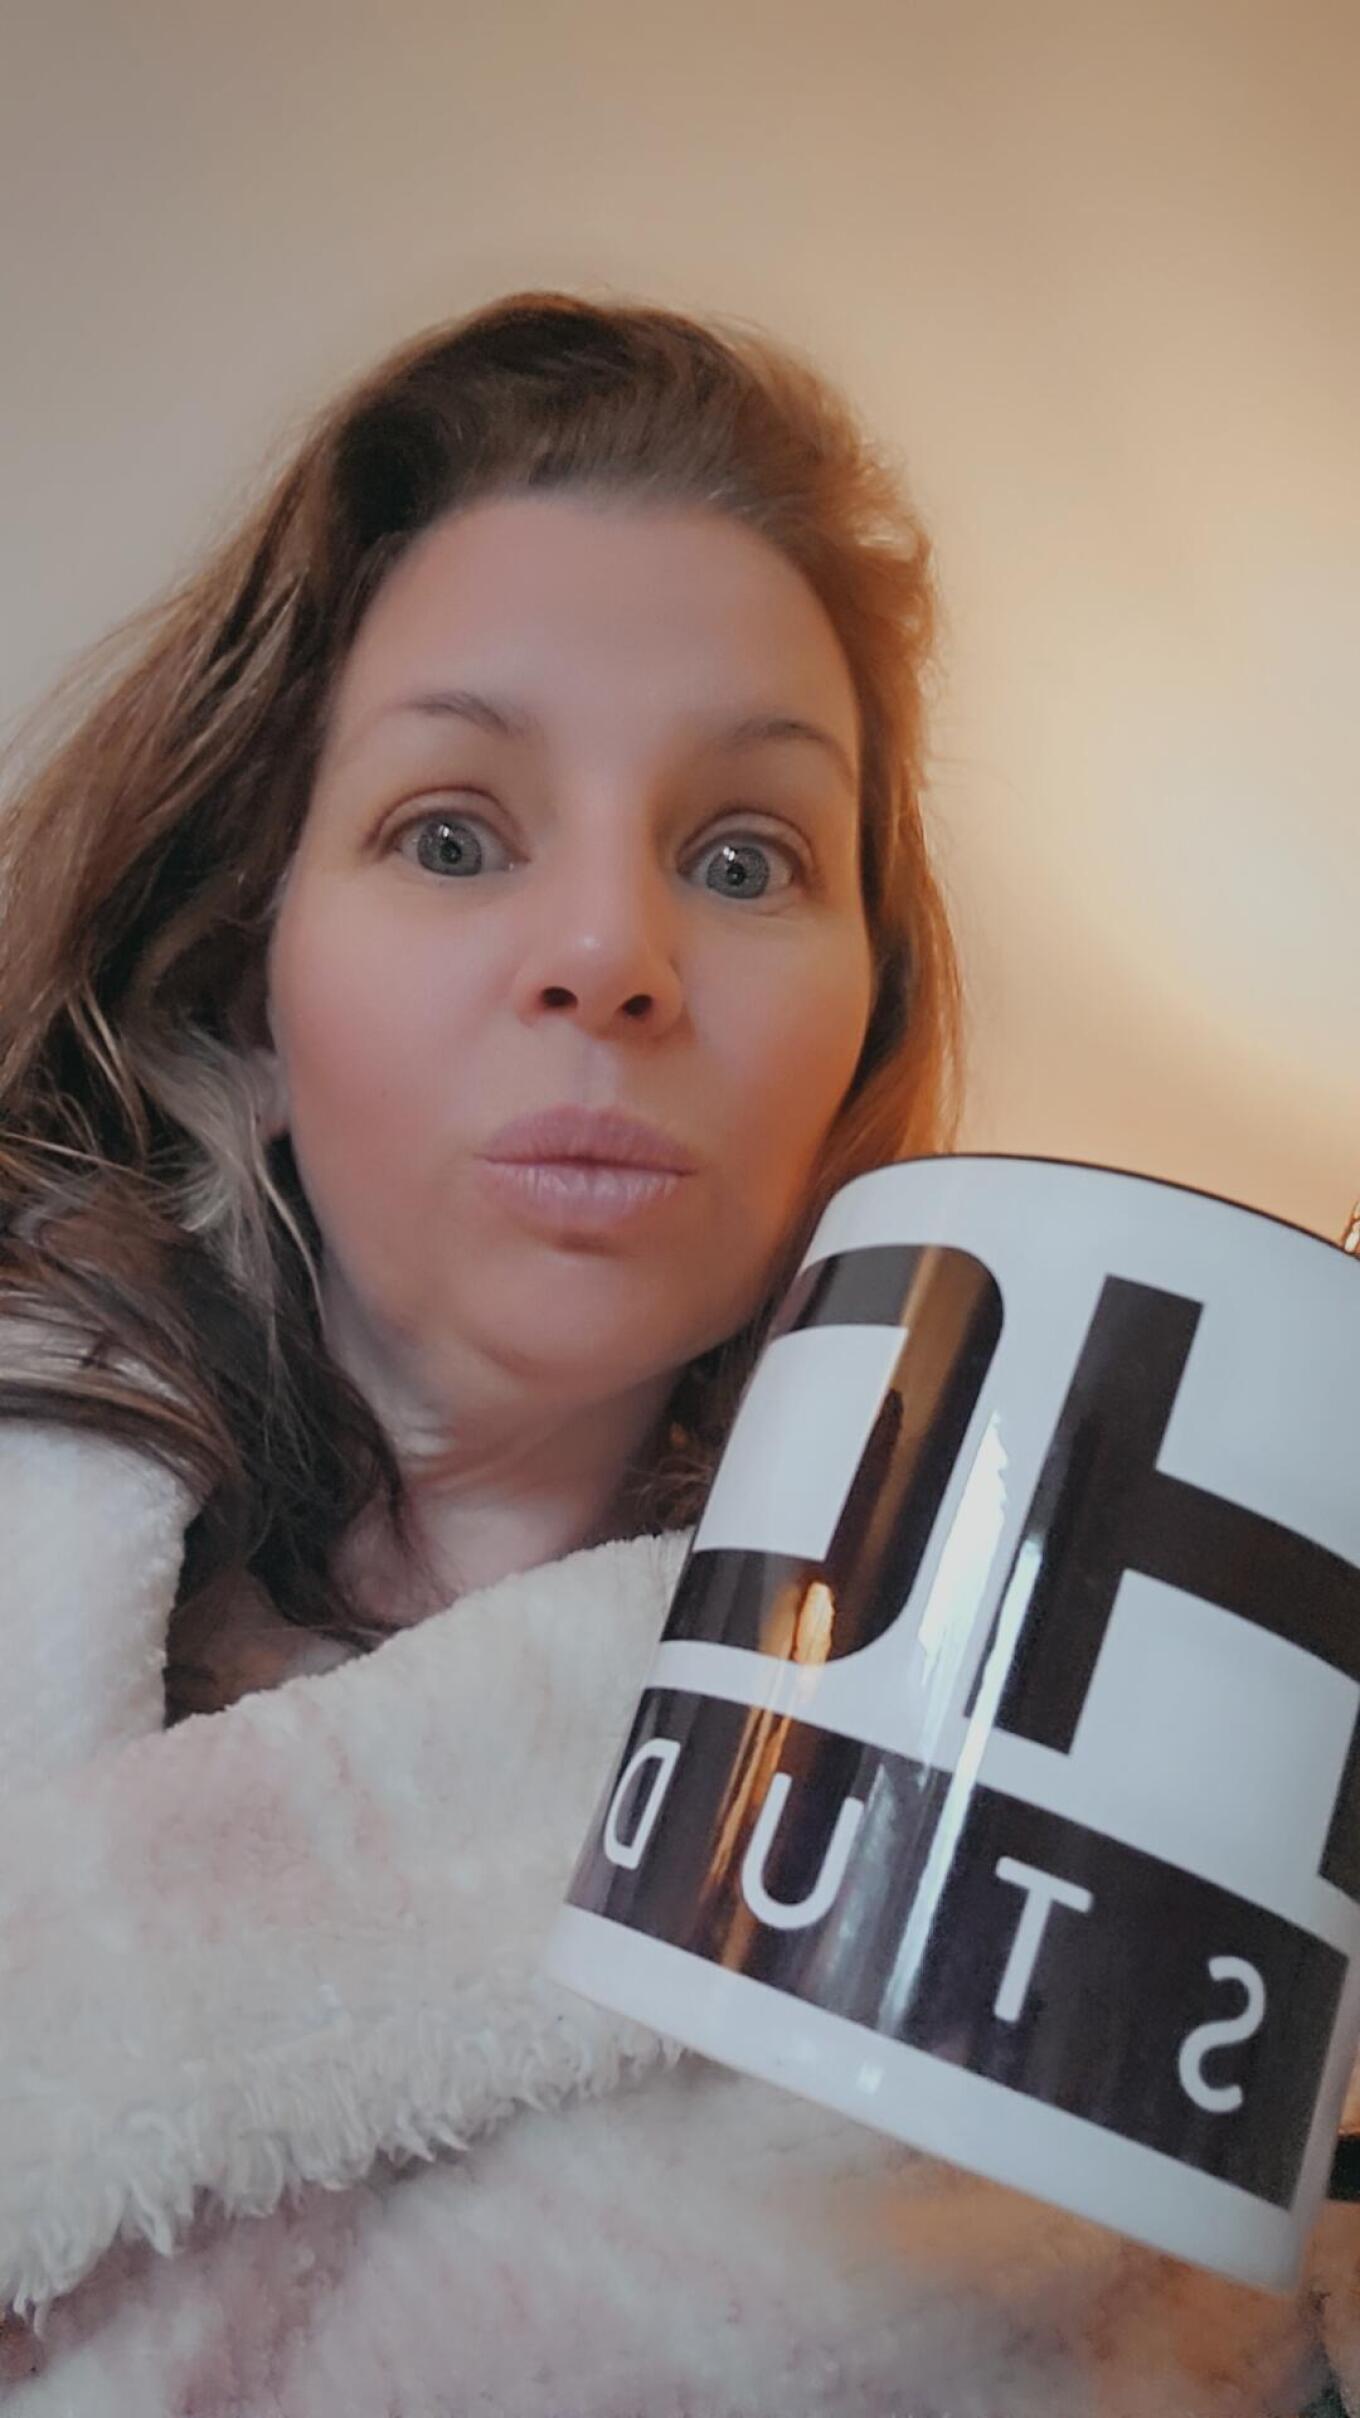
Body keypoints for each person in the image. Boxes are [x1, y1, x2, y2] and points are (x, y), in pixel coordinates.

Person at [0, 289, 1352, 2414]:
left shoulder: (1063, 1812)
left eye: (742, 857)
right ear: (248, 978)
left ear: (863, 1024)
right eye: (453, 832)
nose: (611, 957)